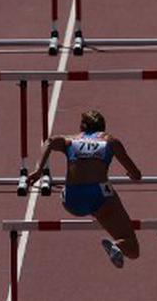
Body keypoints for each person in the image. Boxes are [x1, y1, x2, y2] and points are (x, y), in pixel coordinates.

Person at [30, 110, 143, 268]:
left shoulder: (70, 140)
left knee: (71, 188)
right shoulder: (110, 141)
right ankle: (118, 245)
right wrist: (131, 174)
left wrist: (39, 170)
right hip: (99, 198)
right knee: (133, 248)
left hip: (72, 200)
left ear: (82, 127)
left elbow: (49, 141)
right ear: (103, 128)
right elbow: (137, 175)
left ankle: (65, 191)